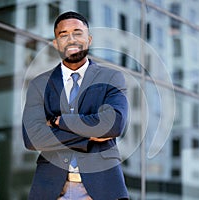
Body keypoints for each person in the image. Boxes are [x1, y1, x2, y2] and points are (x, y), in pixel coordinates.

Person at [22, 11, 129, 200]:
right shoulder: (39, 84)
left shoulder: (112, 78)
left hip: (103, 188)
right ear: (56, 43)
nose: (71, 39)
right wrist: (89, 136)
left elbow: (114, 124)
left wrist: (58, 121)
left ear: (89, 39)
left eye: (78, 33)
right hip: (51, 189)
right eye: (64, 35)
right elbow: (32, 138)